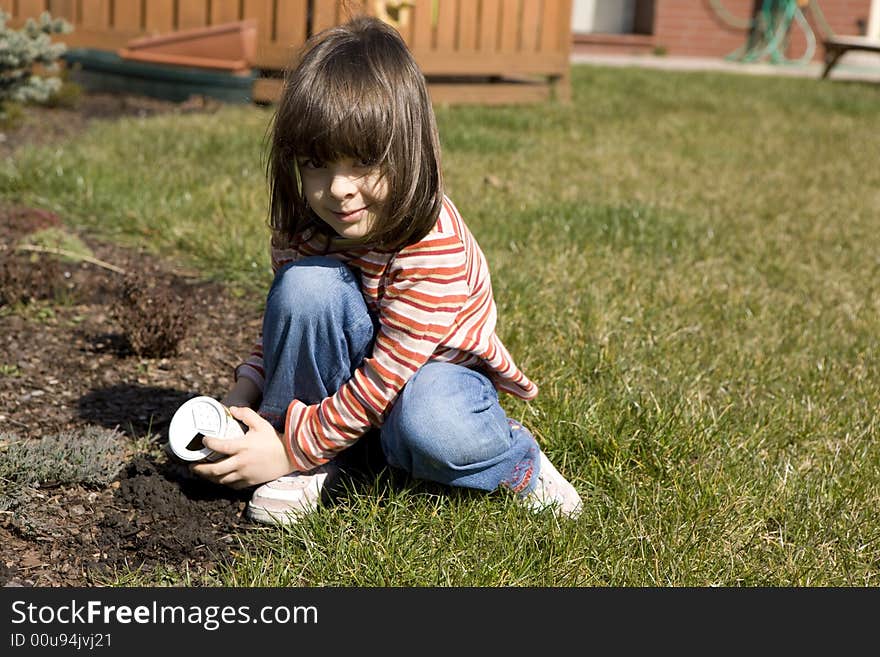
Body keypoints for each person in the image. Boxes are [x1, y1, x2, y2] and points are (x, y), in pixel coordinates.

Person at [190, 15, 583, 524]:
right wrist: (242, 392)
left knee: (431, 425)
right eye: (316, 163)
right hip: (358, 381)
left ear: (409, 150)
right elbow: (289, 328)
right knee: (304, 288)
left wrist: (287, 449)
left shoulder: (430, 241)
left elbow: (390, 373)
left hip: (430, 375)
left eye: (363, 162)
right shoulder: (303, 228)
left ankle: (514, 462)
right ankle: (327, 460)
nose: (337, 189)